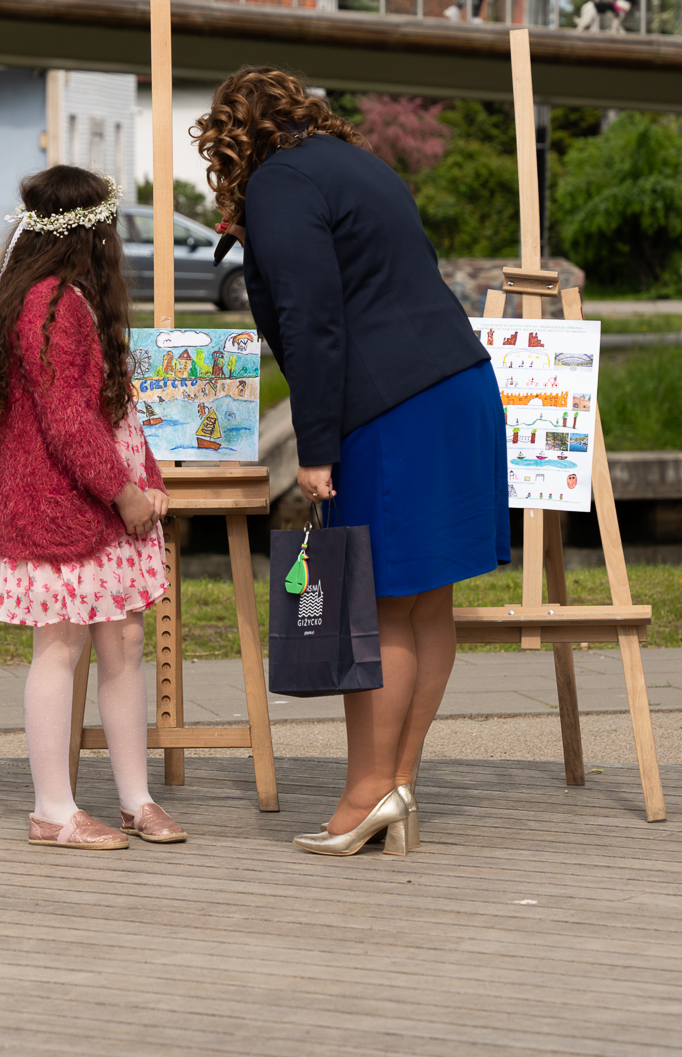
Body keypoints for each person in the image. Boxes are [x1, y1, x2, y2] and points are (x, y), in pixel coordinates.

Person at [199, 67, 509, 857]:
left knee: (373, 607)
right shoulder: (361, 165)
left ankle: (364, 794)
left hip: (391, 406)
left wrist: (315, 448)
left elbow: (312, 321)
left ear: (232, 138)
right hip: (460, 385)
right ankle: (396, 785)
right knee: (426, 604)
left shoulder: (279, 183)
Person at [0, 165, 182, 850]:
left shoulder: (73, 299)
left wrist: (146, 480)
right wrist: (125, 493)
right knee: (59, 643)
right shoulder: (50, 304)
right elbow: (66, 421)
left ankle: (135, 799)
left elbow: (115, 412)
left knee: (123, 641)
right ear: (91, 232)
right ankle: (52, 810)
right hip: (66, 503)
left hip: (107, 498)